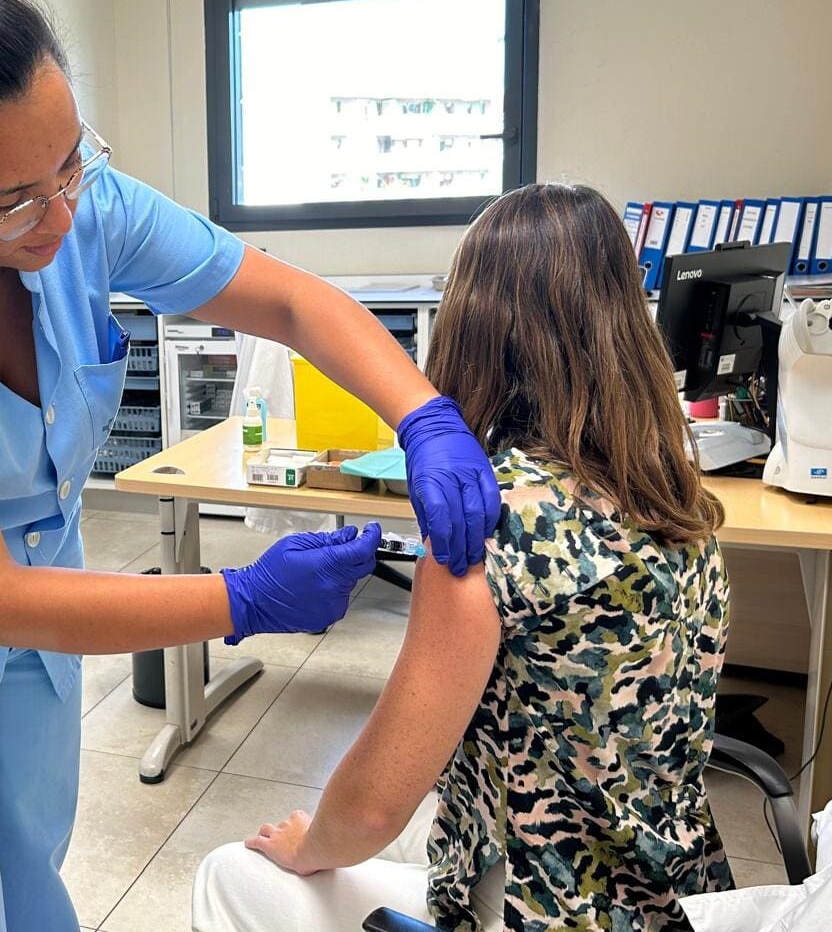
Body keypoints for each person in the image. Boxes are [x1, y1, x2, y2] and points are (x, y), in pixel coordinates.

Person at [0, 0, 501, 932]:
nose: (59, 215)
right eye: (13, 200)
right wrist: (242, 598)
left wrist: (421, 413)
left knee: (29, 878)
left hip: (28, 604)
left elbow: (293, 301)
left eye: (70, 164)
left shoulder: (77, 203)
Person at [193, 183, 736, 932]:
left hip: (538, 908)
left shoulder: (484, 529)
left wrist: (308, 844)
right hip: (664, 896)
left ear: (472, 326)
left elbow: (371, 809)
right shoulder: (678, 494)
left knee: (234, 873)